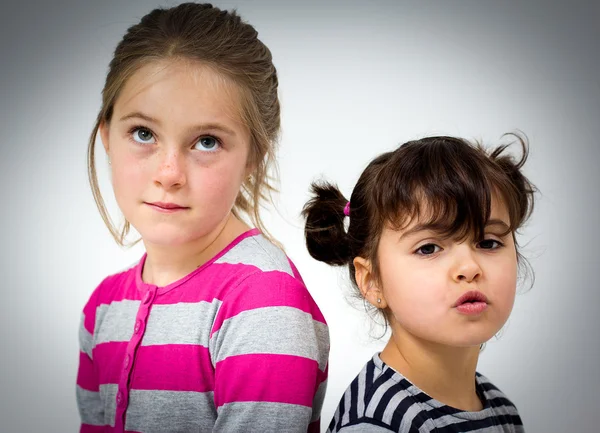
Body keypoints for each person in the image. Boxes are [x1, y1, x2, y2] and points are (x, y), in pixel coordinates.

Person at [76, 3, 329, 432]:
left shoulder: (262, 304)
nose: (169, 174)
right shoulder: (104, 306)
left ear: (253, 157)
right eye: (143, 134)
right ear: (107, 137)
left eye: (206, 141)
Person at [303, 134, 535, 432]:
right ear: (372, 280)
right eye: (428, 248)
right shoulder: (375, 422)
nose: (469, 267)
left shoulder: (502, 411)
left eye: (488, 243)